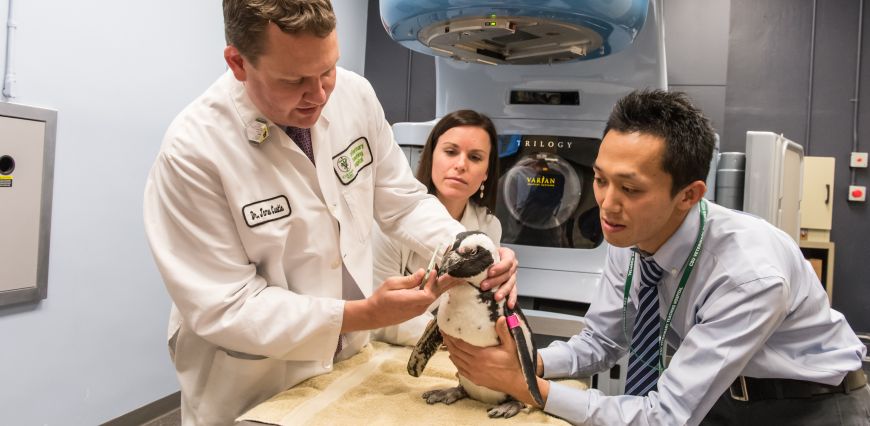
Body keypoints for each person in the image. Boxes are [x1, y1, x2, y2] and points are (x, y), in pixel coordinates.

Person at [142, 1, 518, 424]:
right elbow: (226, 307)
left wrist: (469, 247)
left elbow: (403, 201)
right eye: (294, 80)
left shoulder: (354, 97)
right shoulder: (194, 153)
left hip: (345, 362)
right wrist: (362, 315)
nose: (319, 95)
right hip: (251, 378)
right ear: (238, 63)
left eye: (328, 70)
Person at [443, 89, 870, 425]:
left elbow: (665, 416)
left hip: (807, 407)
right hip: (713, 396)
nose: (607, 205)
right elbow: (603, 341)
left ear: (689, 195)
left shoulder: (747, 275)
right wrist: (527, 360)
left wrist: (530, 388)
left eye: (630, 189)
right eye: (599, 179)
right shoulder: (628, 234)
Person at [372, 110, 504, 346]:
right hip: (388, 345)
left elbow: (482, 303)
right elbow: (379, 312)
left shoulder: (488, 227)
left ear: (486, 173)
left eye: (475, 157)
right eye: (451, 152)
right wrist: (448, 336)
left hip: (454, 347)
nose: (461, 165)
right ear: (431, 156)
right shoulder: (390, 220)